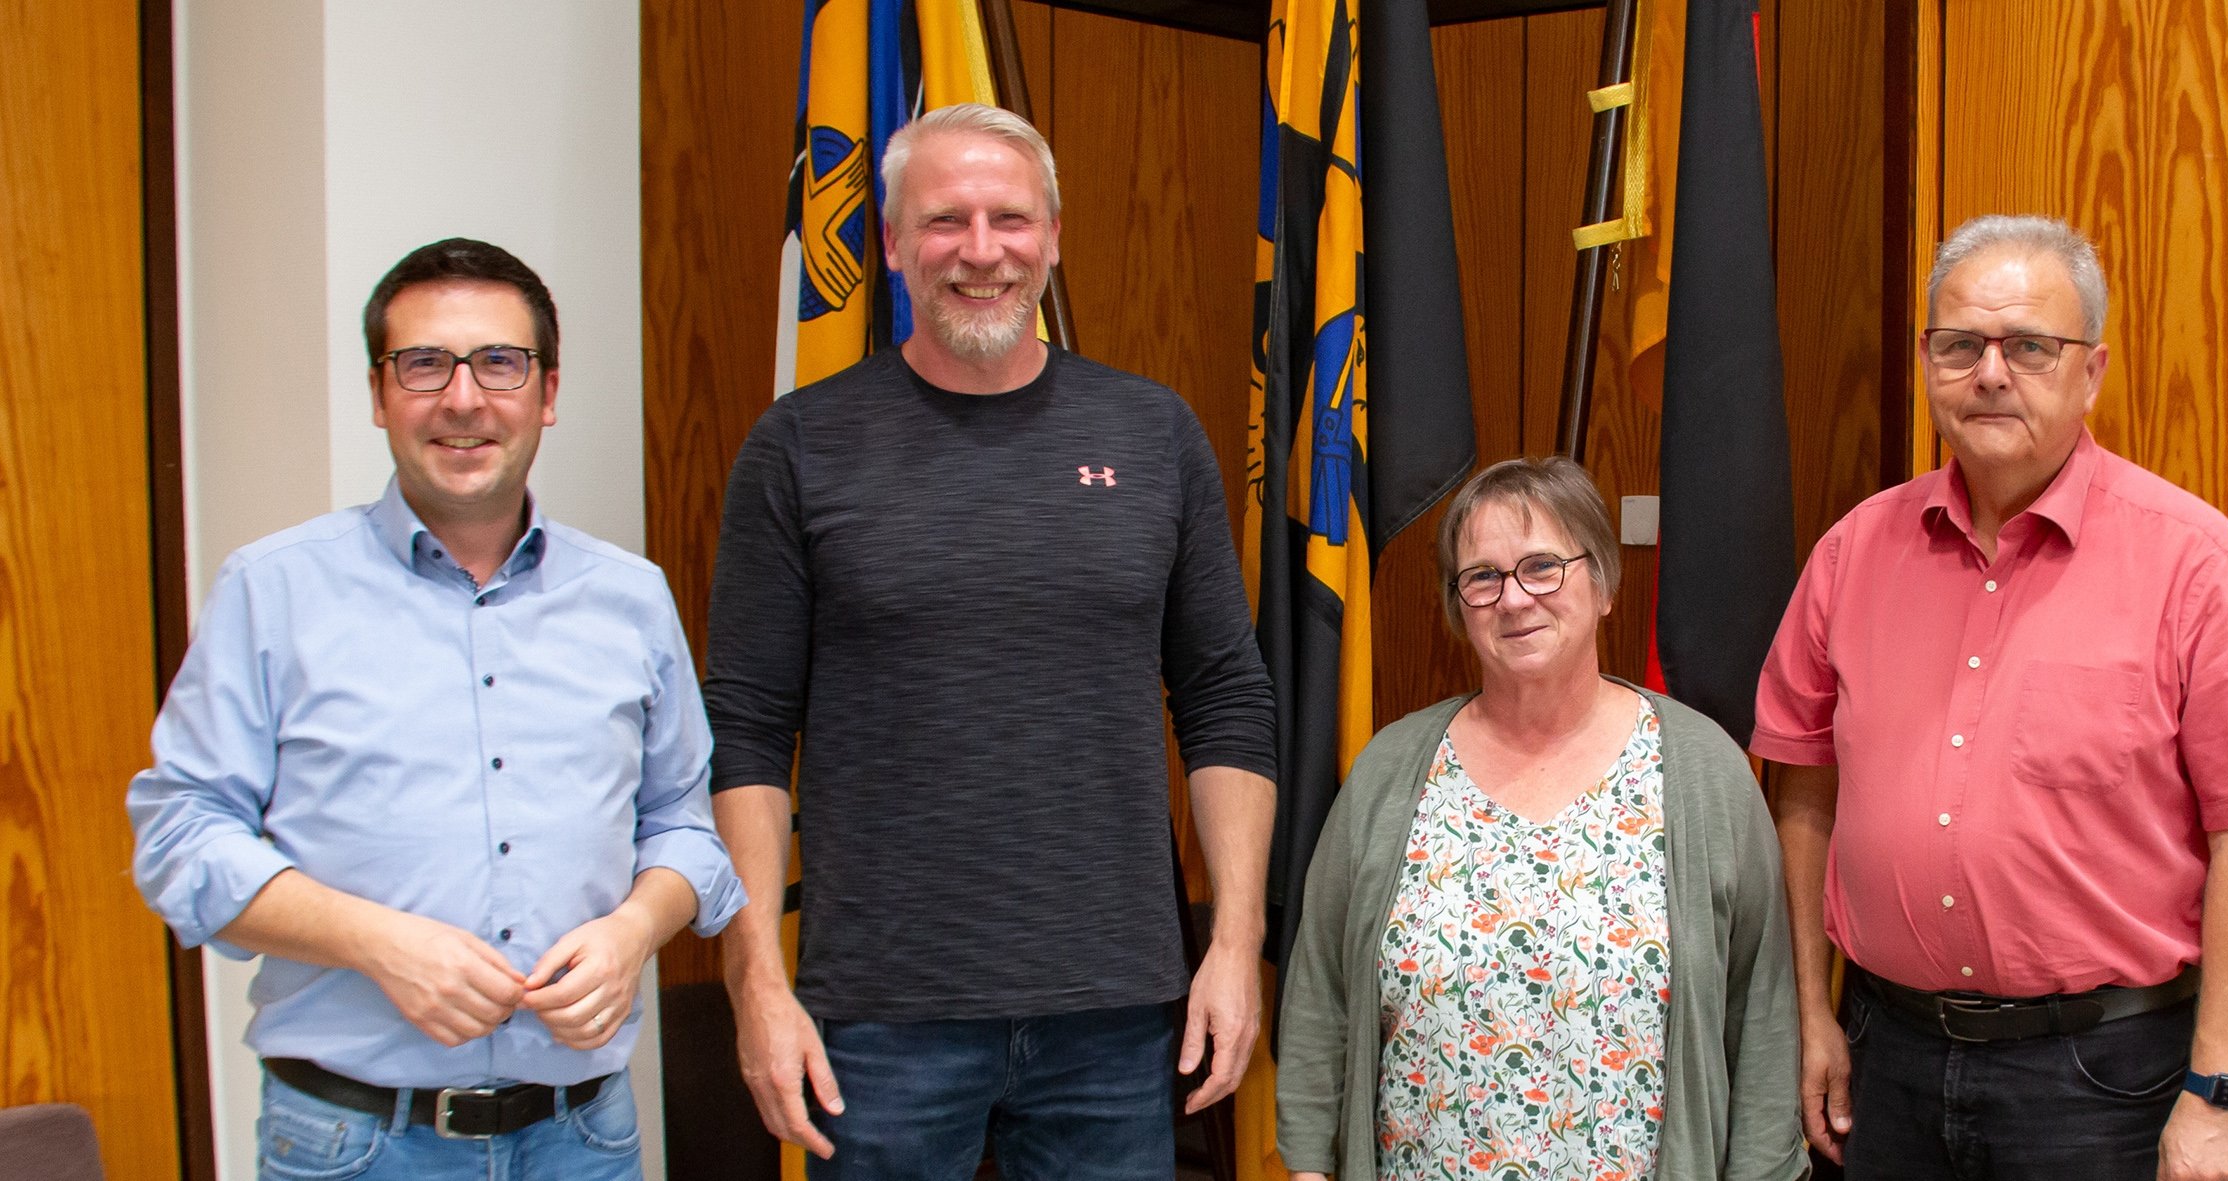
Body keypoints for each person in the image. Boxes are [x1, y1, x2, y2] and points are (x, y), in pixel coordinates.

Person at [704, 102, 1279, 1180]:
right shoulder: (799, 447)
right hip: (878, 1016)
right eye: (943, 220)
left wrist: (1233, 945)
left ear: (1052, 236)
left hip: (1113, 1009)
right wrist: (755, 984)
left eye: (1008, 218)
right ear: (888, 243)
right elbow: (742, 731)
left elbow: (1224, 701)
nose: (979, 251)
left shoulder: (1152, 434)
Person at [128, 237, 747, 1178]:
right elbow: (179, 839)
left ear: (546, 393)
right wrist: (376, 942)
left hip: (585, 1137)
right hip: (355, 1143)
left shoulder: (631, 596)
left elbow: (683, 826)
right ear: (379, 396)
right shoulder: (273, 590)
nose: (464, 398)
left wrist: (633, 930)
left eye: (501, 361)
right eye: (424, 364)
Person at [1753, 214, 2228, 1181]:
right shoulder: (1853, 552)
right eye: (1961, 345)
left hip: (2097, 1078)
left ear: (2092, 371)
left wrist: (2222, 1091)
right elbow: (1804, 787)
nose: (1991, 373)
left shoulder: (2190, 560)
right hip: (1883, 1056)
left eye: (2030, 345)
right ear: (1927, 360)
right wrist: (1809, 1014)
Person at [1276, 457, 1808, 1181]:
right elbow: (1321, 996)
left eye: (1542, 566)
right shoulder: (1389, 772)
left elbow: (1764, 1021)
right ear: (1458, 604)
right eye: (1483, 577)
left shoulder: (1703, 772)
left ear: (1605, 585)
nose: (1514, 598)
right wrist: (1309, 1166)